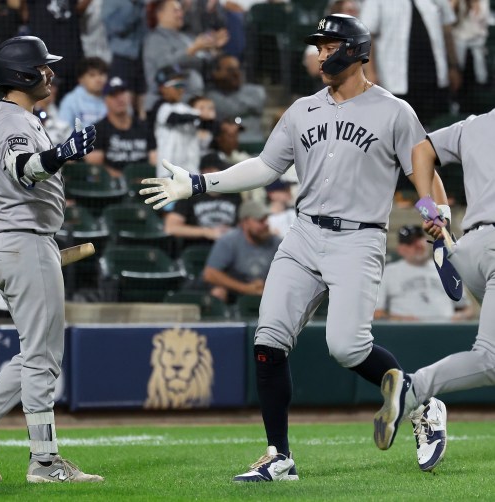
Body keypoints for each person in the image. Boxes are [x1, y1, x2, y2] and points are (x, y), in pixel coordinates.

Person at [140, 14, 451, 479]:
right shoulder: (303, 109)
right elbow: (265, 167)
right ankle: (278, 456)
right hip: (304, 235)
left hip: (359, 237)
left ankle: (423, 407)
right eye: (319, 46)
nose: (322, 53)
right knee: (268, 342)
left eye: (330, 45)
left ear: (357, 50)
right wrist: (201, 183)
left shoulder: (394, 111)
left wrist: (438, 215)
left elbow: (425, 173)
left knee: (347, 348)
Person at [0, 35, 100, 484]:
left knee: (38, 351)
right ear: (23, 75)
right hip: (23, 241)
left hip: (15, 242)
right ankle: (45, 462)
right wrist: (63, 152)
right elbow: (22, 166)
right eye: (43, 66)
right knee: (43, 358)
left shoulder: (9, 116)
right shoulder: (12, 118)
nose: (50, 72)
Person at [373, 106, 495, 471]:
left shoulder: (474, 125)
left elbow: (420, 150)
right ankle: (415, 388)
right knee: (490, 359)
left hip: (471, 249)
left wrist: (430, 210)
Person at [361, 0, 462, 127]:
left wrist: (453, 66)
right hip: (395, 81)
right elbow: (367, 36)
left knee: (437, 131)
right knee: (400, 133)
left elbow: (447, 31)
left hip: (434, 78)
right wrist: (370, 73)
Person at [143, 0, 228, 112]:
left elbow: (203, 59)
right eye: (175, 11)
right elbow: (163, 65)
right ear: (160, 14)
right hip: (167, 103)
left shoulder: (184, 37)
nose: (181, 14)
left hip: (196, 97)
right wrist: (192, 49)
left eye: (181, 10)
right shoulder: (155, 39)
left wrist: (214, 48)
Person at [375, 225, 473, 321]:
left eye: (420, 239)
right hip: (405, 333)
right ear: (400, 249)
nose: (418, 245)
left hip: (445, 331)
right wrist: (399, 319)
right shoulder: (389, 272)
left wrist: (460, 317)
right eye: (411, 243)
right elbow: (377, 313)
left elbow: (467, 308)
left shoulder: (447, 267)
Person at [203, 199, 281, 303]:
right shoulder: (229, 241)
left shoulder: (277, 243)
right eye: (260, 220)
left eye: (266, 219)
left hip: (268, 292)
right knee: (218, 291)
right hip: (235, 292)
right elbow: (210, 274)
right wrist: (245, 288)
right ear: (245, 223)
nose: (265, 224)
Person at [163, 152, 240, 249]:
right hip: (198, 248)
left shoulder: (234, 194)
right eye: (220, 170)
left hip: (229, 248)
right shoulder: (190, 195)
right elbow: (170, 228)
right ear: (206, 172)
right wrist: (206, 232)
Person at [84, 76, 157, 178]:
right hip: (111, 189)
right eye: (113, 95)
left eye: (122, 92)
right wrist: (126, 180)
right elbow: (96, 169)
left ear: (129, 96)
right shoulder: (96, 131)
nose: (119, 98)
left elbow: (154, 161)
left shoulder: (144, 126)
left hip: (143, 185)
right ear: (105, 100)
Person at [152, 65, 213, 177]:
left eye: (183, 85)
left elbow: (207, 126)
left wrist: (207, 119)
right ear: (162, 88)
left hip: (191, 171)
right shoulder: (161, 107)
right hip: (168, 173)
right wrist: (199, 115)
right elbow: (174, 118)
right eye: (177, 85)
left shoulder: (187, 110)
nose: (181, 89)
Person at [102, 0, 147, 118]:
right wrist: (135, 6)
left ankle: (143, 133)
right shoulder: (112, 2)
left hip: (142, 57)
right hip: (122, 57)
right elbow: (117, 26)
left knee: (142, 103)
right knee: (125, 101)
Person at [206, 54, 266, 143]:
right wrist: (248, 108)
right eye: (230, 70)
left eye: (238, 69)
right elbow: (229, 110)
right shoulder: (211, 96)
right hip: (227, 146)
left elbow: (259, 102)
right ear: (216, 73)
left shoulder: (256, 90)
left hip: (256, 142)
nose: (236, 74)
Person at [58, 57, 109, 130]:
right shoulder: (70, 101)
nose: (98, 79)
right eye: (92, 75)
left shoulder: (113, 98)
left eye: (101, 74)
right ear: (81, 80)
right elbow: (63, 131)